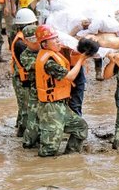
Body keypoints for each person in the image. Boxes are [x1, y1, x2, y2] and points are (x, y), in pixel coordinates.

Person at [34, 25, 89, 156]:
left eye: (57, 38)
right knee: (50, 149)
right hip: (51, 108)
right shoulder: (49, 61)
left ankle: (71, 157)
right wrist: (81, 60)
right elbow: (69, 76)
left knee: (80, 127)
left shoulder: (55, 54)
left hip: (61, 105)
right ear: (44, 44)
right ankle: (44, 171)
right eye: (54, 39)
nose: (58, 41)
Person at [11, 8, 38, 137]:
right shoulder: (21, 43)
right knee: (25, 107)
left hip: (22, 77)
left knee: (23, 106)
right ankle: (22, 132)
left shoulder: (21, 38)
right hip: (21, 78)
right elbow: (28, 64)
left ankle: (20, 127)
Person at [19, 25, 41, 149]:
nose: (37, 43)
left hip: (49, 90)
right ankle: (28, 141)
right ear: (26, 41)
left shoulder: (46, 49)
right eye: (33, 40)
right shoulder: (25, 55)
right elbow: (36, 65)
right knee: (32, 118)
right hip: (35, 90)